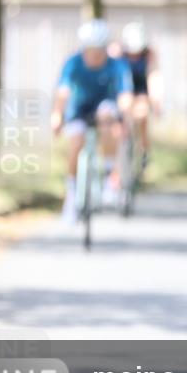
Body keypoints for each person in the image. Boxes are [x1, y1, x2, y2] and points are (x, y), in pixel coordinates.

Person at [51, 20, 134, 223]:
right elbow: (63, 92)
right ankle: (72, 193)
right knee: (76, 143)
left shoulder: (117, 66)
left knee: (108, 119)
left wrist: (125, 120)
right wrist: (57, 115)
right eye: (90, 51)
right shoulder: (73, 63)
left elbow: (125, 97)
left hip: (104, 107)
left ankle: (107, 177)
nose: (94, 56)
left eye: (99, 51)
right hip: (78, 109)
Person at [119, 22, 162, 166]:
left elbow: (153, 77)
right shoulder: (118, 54)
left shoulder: (149, 56)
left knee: (142, 115)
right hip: (124, 91)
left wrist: (156, 102)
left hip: (141, 91)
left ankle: (143, 150)